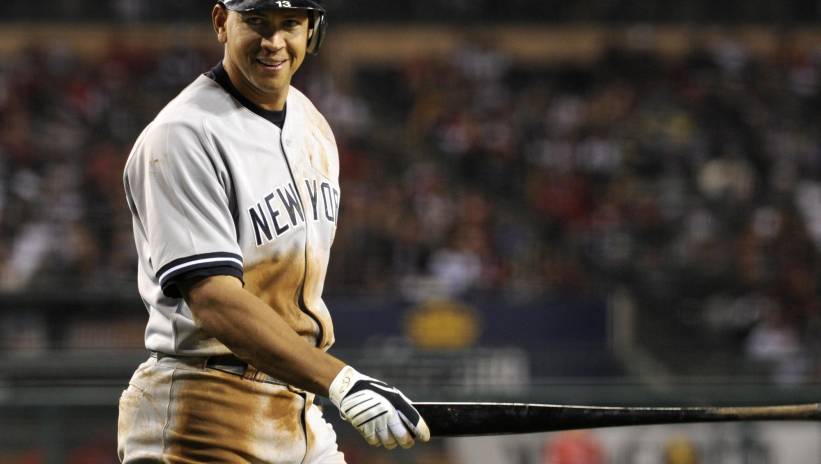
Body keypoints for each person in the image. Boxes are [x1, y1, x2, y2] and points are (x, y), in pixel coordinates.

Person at [116, 1, 429, 462]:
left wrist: (323, 380)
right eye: (257, 22)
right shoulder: (183, 134)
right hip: (202, 412)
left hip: (295, 402)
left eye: (290, 24)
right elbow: (214, 299)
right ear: (221, 22)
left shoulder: (311, 122)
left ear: (312, 31)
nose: (274, 42)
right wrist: (341, 380)